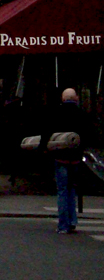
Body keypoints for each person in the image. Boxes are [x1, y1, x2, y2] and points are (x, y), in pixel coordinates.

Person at [43, 88, 91, 234]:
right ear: (75, 98)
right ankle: (72, 221)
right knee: (72, 189)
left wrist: (45, 148)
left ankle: (63, 224)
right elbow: (89, 135)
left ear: (63, 99)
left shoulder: (56, 113)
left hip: (61, 157)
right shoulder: (82, 114)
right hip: (75, 158)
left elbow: (47, 133)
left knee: (62, 190)